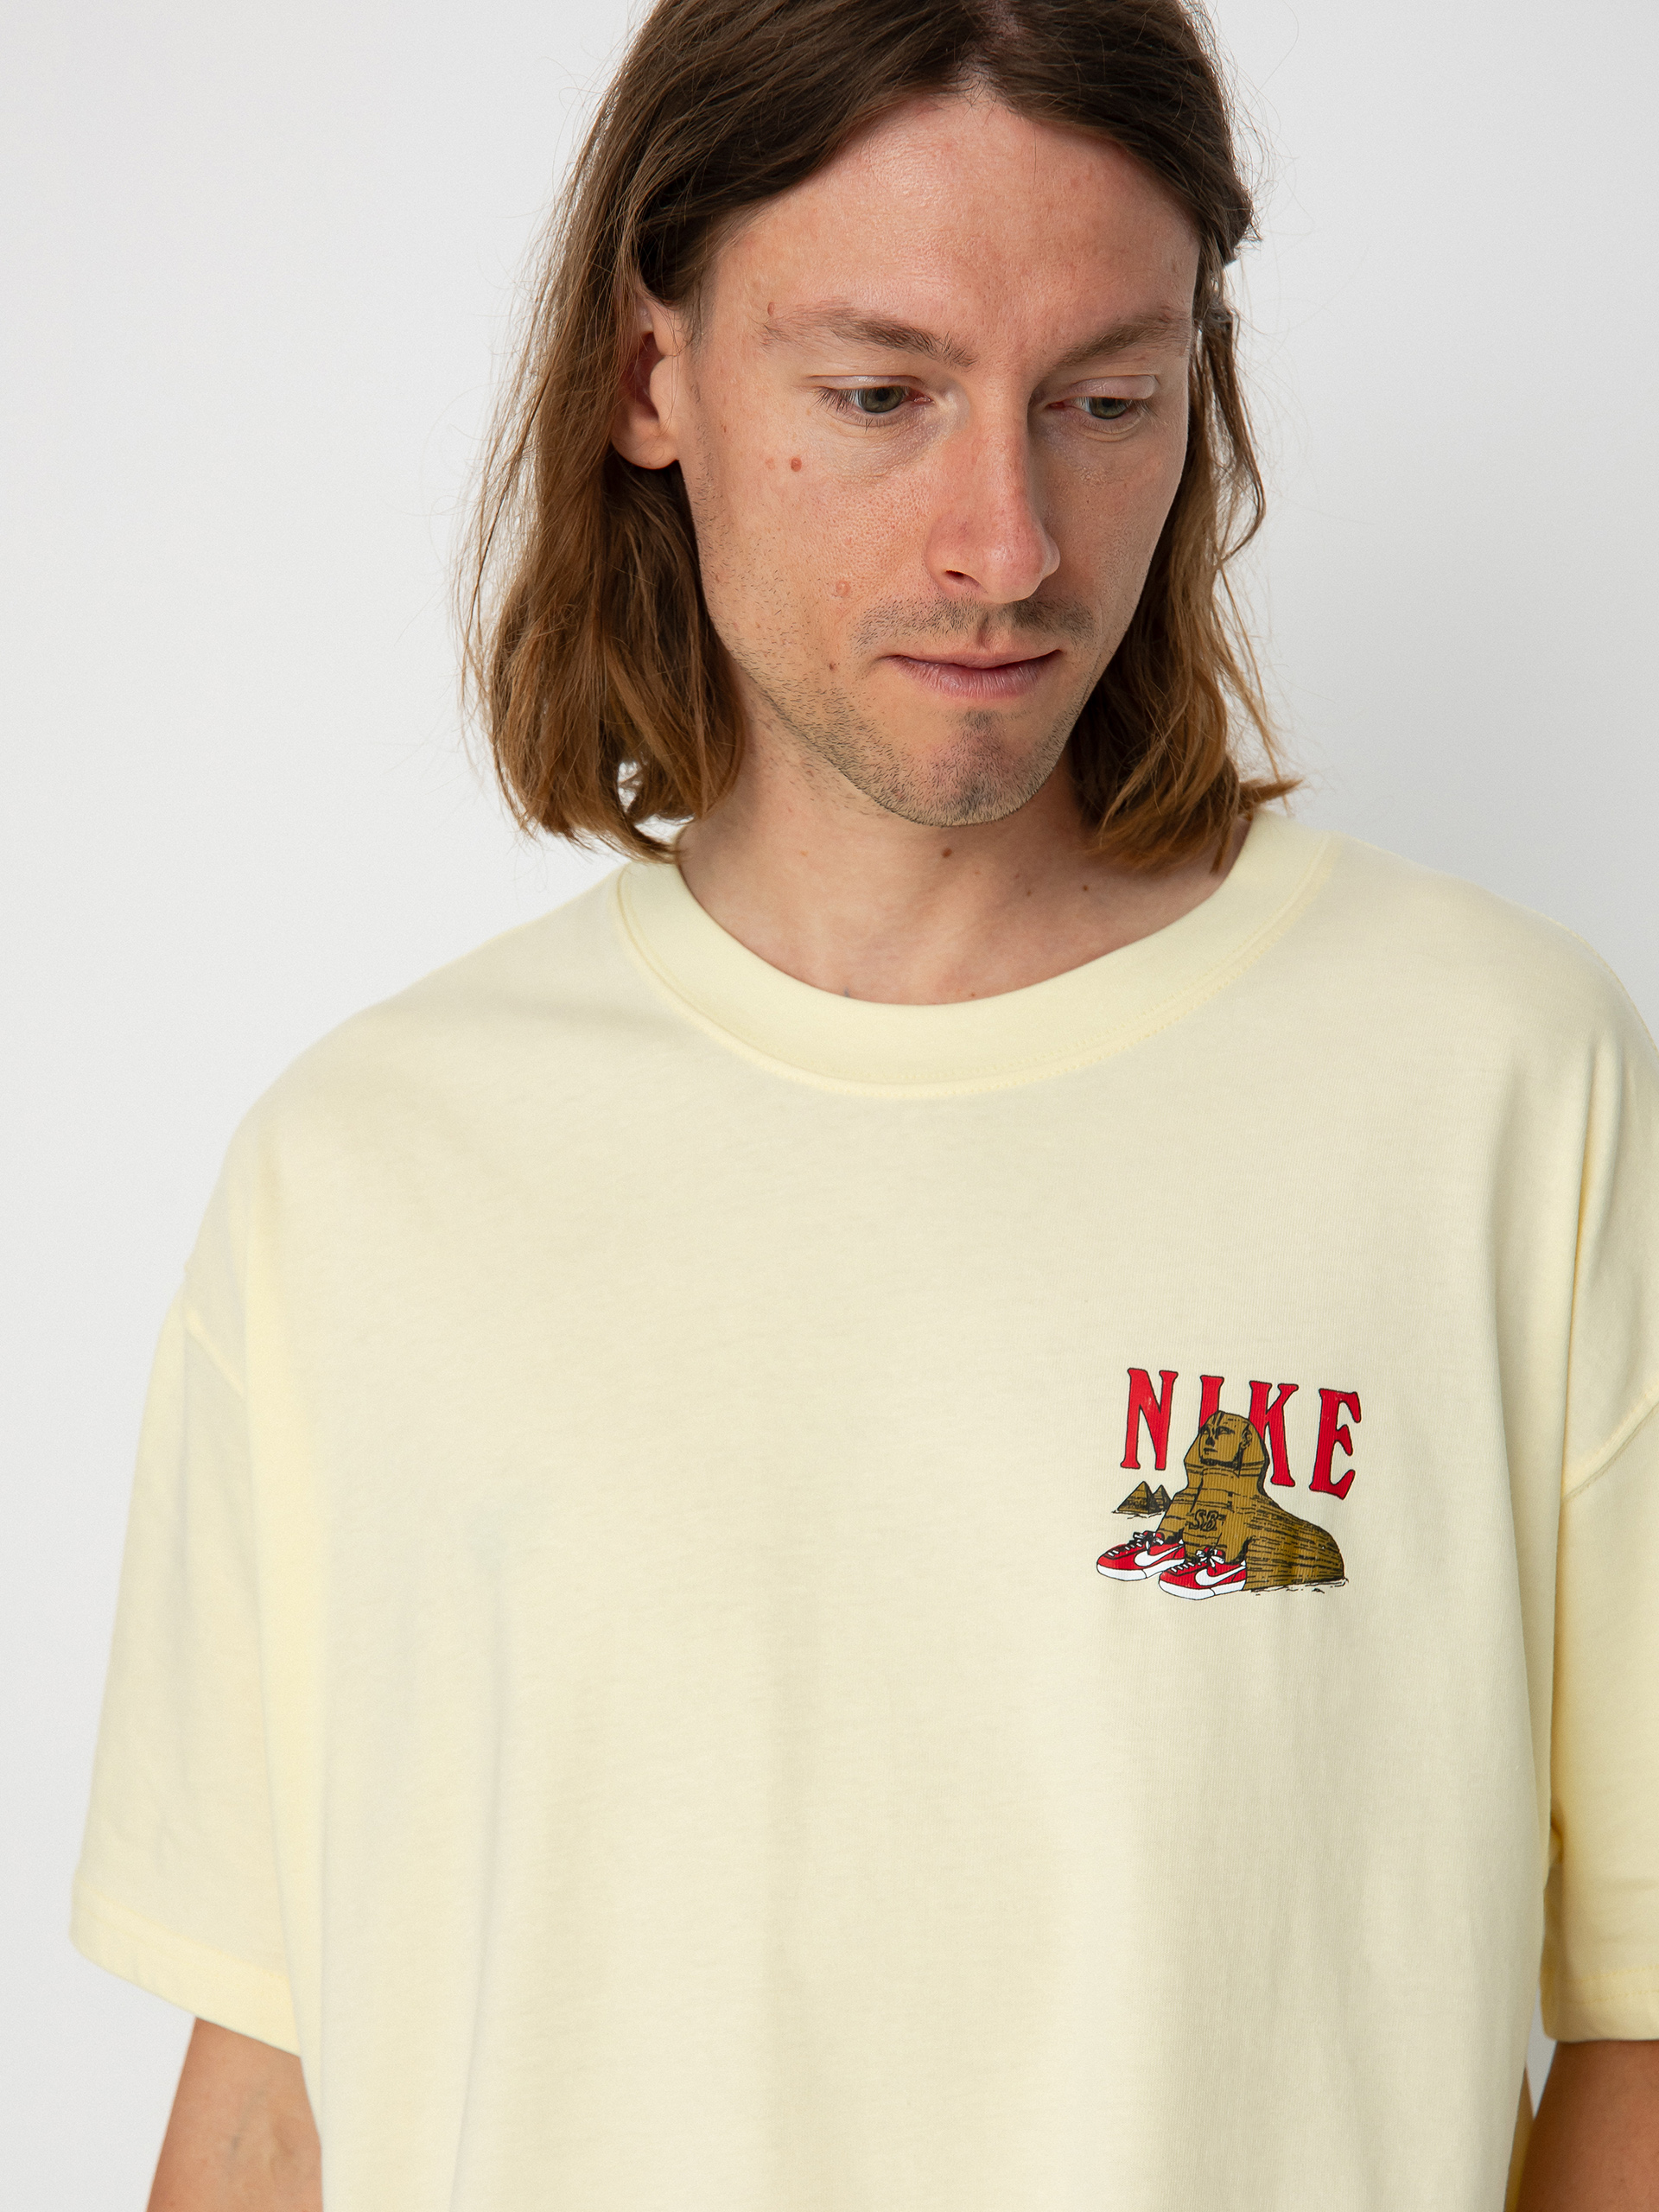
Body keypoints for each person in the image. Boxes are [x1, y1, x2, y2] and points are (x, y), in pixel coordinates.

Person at [73, 0, 1659, 2206]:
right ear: (651, 379)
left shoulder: (1502, 1085)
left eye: (1105, 399)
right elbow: (266, 2096)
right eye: (883, 393)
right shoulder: (359, 1176)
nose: (1006, 542)